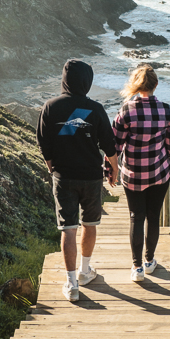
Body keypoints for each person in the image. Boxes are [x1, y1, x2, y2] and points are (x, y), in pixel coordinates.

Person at [36, 59, 119, 302]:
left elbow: (44, 143)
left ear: (64, 79)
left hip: (64, 177)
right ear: (87, 81)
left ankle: (71, 284)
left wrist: (53, 167)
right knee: (90, 224)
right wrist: (114, 170)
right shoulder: (95, 109)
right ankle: (85, 272)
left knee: (68, 229)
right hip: (91, 176)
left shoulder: (50, 107)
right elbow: (109, 146)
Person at [112, 64, 170, 282]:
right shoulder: (167, 110)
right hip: (159, 173)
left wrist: (110, 170)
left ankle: (137, 268)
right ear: (155, 85)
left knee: (136, 217)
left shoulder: (126, 110)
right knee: (153, 217)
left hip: (132, 175)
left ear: (136, 84)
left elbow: (114, 145)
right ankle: (150, 261)